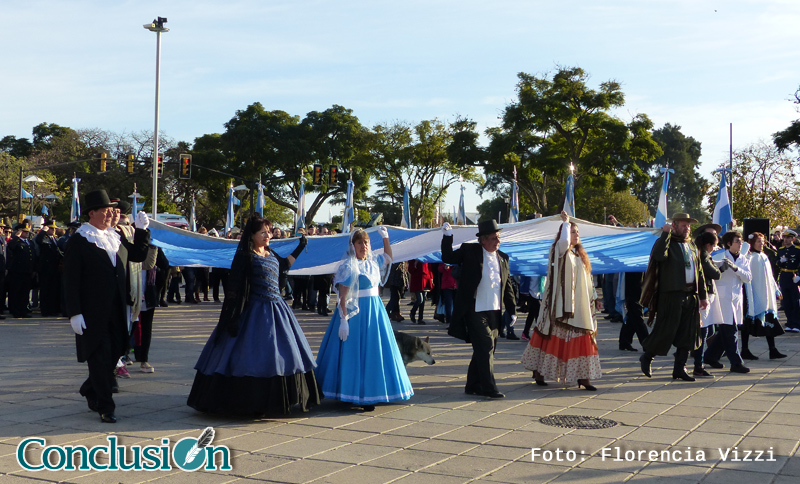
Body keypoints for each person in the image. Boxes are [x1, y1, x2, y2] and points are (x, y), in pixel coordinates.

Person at [187, 216, 321, 415]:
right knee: (252, 356)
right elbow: (234, 286)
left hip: (278, 310)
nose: (268, 235)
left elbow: (284, 266)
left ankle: (281, 399)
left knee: (285, 354)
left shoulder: (270, 253)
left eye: (269, 231)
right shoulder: (246, 255)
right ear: (252, 236)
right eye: (263, 233)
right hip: (255, 311)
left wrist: (300, 247)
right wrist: (231, 317)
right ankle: (250, 401)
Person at [315, 227, 413, 411]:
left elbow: (389, 257)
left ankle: (372, 392)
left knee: (374, 353)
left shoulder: (374, 261)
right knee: (353, 354)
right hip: (355, 314)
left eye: (366, 242)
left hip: (375, 313)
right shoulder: (348, 266)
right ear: (353, 245)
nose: (363, 245)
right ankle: (349, 392)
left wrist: (385, 238)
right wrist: (343, 321)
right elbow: (342, 297)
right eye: (359, 242)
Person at [64, 190, 130, 423]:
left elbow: (137, 257)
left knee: (115, 354)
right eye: (104, 210)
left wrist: (142, 232)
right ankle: (106, 406)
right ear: (92, 213)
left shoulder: (114, 237)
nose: (110, 214)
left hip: (116, 308)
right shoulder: (80, 240)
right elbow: (71, 279)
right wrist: (74, 312)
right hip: (92, 311)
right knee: (99, 357)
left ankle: (89, 388)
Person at [521, 211, 601, 390]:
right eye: (573, 232)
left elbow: (588, 280)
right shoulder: (559, 250)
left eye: (578, 232)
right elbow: (564, 242)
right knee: (553, 338)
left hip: (580, 306)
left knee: (584, 335)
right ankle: (540, 372)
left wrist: (595, 298)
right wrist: (566, 223)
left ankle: (583, 377)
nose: (576, 235)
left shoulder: (579, 256)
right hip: (561, 305)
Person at [441, 220, 516, 399]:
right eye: (493, 238)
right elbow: (448, 258)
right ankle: (489, 388)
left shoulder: (503, 258)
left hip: (495, 310)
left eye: (499, 237)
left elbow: (507, 286)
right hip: (475, 309)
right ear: (482, 240)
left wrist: (512, 310)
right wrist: (447, 237)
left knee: (485, 350)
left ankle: (472, 385)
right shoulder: (470, 251)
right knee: (485, 345)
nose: (498, 241)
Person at [639, 213, 708, 381]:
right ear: (674, 226)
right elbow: (658, 256)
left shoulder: (691, 244)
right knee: (665, 330)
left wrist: (703, 296)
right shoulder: (666, 242)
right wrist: (665, 234)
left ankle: (679, 368)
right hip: (671, 294)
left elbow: (699, 271)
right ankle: (647, 357)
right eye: (684, 225)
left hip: (690, 295)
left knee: (688, 333)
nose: (687, 228)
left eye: (688, 226)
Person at [703, 231, 751, 373]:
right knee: (731, 331)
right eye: (737, 241)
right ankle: (736, 362)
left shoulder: (743, 259)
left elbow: (748, 278)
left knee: (727, 330)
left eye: (740, 241)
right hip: (722, 298)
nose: (740, 243)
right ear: (729, 243)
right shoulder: (718, 256)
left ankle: (710, 356)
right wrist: (722, 267)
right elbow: (711, 272)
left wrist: (736, 268)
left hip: (736, 298)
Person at [742, 232, 786, 360]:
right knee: (748, 323)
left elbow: (770, 275)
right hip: (755, 294)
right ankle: (744, 349)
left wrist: (777, 290)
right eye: (759, 242)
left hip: (766, 294)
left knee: (769, 321)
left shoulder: (764, 256)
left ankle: (772, 349)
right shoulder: (749, 257)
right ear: (752, 243)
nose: (762, 244)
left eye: (763, 241)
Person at [691, 232, 721, 378]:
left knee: (708, 331)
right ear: (708, 245)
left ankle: (695, 359)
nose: (715, 248)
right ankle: (698, 364)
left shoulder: (701, 254)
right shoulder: (703, 256)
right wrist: (719, 268)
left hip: (707, 294)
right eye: (714, 245)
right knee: (703, 331)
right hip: (705, 295)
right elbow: (715, 273)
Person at [7, 221, 35, 318]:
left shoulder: (30, 243)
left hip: (27, 271)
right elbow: (11, 246)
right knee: (16, 292)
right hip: (17, 271)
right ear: (20, 232)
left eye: (28, 232)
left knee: (25, 293)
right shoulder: (16, 241)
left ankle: (23, 310)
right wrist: (16, 236)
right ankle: (16, 311)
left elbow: (32, 256)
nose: (27, 233)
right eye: (25, 232)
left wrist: (33, 269)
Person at [35, 220, 63, 317]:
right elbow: (38, 241)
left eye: (55, 228)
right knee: (45, 290)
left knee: (52, 290)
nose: (54, 230)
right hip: (45, 268)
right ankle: (45, 310)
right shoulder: (44, 237)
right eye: (51, 228)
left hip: (54, 268)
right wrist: (43, 231)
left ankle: (52, 309)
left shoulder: (54, 239)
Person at [776, 229, 800, 332]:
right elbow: (776, 262)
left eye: (788, 238)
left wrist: (799, 275)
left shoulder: (797, 250)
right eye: (784, 237)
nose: (785, 240)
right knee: (786, 302)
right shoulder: (781, 250)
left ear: (793, 239)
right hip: (784, 276)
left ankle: (796, 324)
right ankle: (789, 322)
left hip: (794, 276)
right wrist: (780, 262)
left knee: (795, 301)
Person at [407, 259, 433, 324]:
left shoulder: (425, 258)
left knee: (423, 301)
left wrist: (431, 278)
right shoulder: (413, 259)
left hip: (425, 279)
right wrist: (415, 264)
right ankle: (412, 313)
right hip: (417, 281)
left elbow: (429, 268)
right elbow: (410, 270)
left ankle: (420, 319)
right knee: (419, 300)